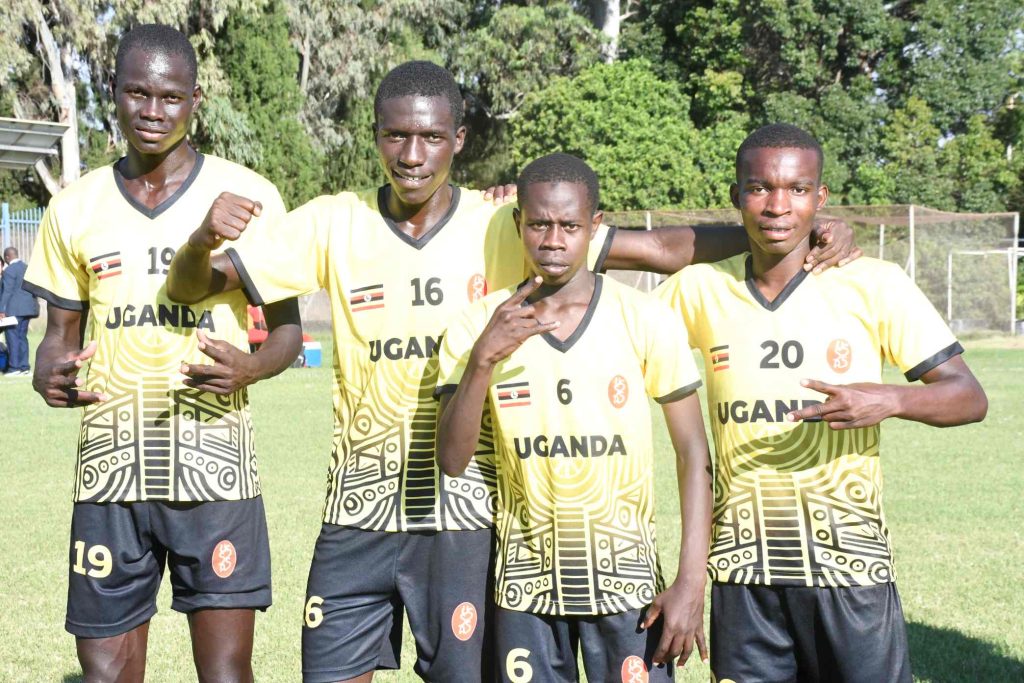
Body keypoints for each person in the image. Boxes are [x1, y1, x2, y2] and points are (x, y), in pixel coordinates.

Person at [165, 62, 860, 683]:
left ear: (459, 140)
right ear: (374, 136)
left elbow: (661, 248)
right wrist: (200, 240)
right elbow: (197, 285)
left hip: (466, 515)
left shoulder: (507, 220)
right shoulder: (331, 223)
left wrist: (790, 230)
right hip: (359, 509)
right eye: (396, 137)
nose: (413, 155)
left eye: (431, 138)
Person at [654, 123, 988, 682]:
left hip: (850, 567)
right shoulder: (698, 289)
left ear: (820, 197)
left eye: (797, 189)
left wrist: (889, 399)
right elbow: (603, 322)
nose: (778, 206)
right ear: (737, 196)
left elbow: (969, 397)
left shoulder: (875, 283)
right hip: (743, 573)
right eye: (759, 188)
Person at [22, 24, 302, 682]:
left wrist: (252, 366)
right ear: (112, 92)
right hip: (110, 473)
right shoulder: (73, 207)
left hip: (215, 470)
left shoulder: (249, 195)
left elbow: (288, 332)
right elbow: (58, 340)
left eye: (171, 97)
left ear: (195, 100)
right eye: (137, 93)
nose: (153, 111)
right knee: (105, 673)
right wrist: (47, 373)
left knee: (225, 673)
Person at [435, 153, 713, 682]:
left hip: (628, 585)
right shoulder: (478, 324)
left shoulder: (644, 318)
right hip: (525, 589)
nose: (553, 241)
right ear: (518, 223)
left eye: (570, 226)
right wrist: (482, 360)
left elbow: (692, 452)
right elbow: (451, 460)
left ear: (595, 226)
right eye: (539, 224)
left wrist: (690, 581)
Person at [0, 246, 39, 375]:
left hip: (14, 310)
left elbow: (7, 291)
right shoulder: (28, 268)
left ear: (7, 257)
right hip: (28, 309)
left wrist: (1, 310)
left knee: (12, 338)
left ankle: (14, 367)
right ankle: (24, 367)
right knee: (22, 337)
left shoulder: (9, 270)